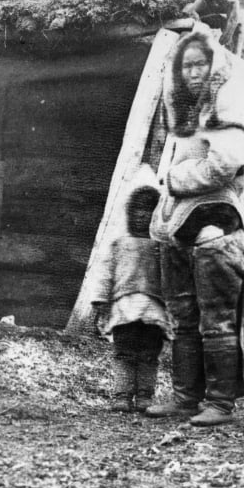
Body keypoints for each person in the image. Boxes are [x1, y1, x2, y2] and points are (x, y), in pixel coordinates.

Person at [146, 28, 244, 427]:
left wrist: (178, 179)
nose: (194, 73)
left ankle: (220, 403)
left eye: (201, 64)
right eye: (187, 66)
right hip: (180, 227)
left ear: (215, 68)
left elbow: (225, 165)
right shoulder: (186, 116)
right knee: (183, 317)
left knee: (217, 317)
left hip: (216, 226)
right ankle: (184, 397)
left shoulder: (225, 114)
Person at [91, 171, 172, 413]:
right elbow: (106, 272)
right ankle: (122, 395)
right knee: (124, 353)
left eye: (149, 211)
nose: (142, 216)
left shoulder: (162, 247)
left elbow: (170, 277)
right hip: (124, 310)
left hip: (153, 311)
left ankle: (145, 396)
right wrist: (100, 299)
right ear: (129, 213)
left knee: (149, 355)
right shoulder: (119, 244)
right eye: (137, 211)